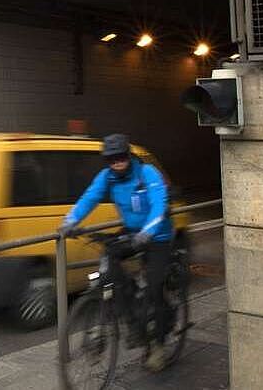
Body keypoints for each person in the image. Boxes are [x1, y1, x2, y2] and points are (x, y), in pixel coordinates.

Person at [59, 133, 174, 372]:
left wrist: (149, 230)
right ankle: (133, 324)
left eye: (121, 157)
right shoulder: (108, 177)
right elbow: (89, 197)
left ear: (129, 156)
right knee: (109, 261)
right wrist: (70, 221)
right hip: (132, 231)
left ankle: (159, 346)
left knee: (154, 287)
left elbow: (159, 204)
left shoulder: (147, 173)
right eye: (111, 159)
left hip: (158, 236)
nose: (117, 162)